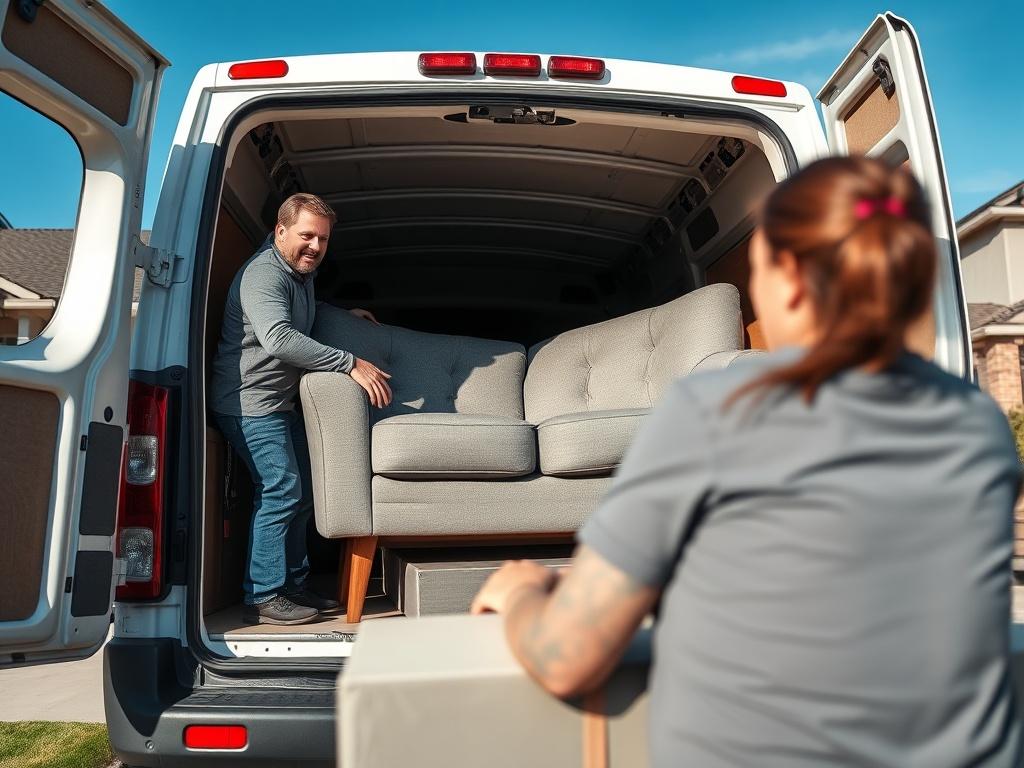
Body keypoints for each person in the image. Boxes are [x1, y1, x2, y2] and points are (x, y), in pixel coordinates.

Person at [472, 157, 1022, 766]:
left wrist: (521, 593)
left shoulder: (715, 411)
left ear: (790, 280)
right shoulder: (979, 424)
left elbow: (565, 657)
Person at [211, 192, 393, 625]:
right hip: (248, 404)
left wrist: (342, 315)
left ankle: (292, 585)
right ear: (280, 231)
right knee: (281, 488)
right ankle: (265, 594)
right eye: (307, 235)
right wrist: (349, 363)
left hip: (278, 404)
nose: (315, 246)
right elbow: (279, 338)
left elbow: (295, 313)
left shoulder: (298, 273)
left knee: (307, 490)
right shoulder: (264, 274)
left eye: (323, 239)